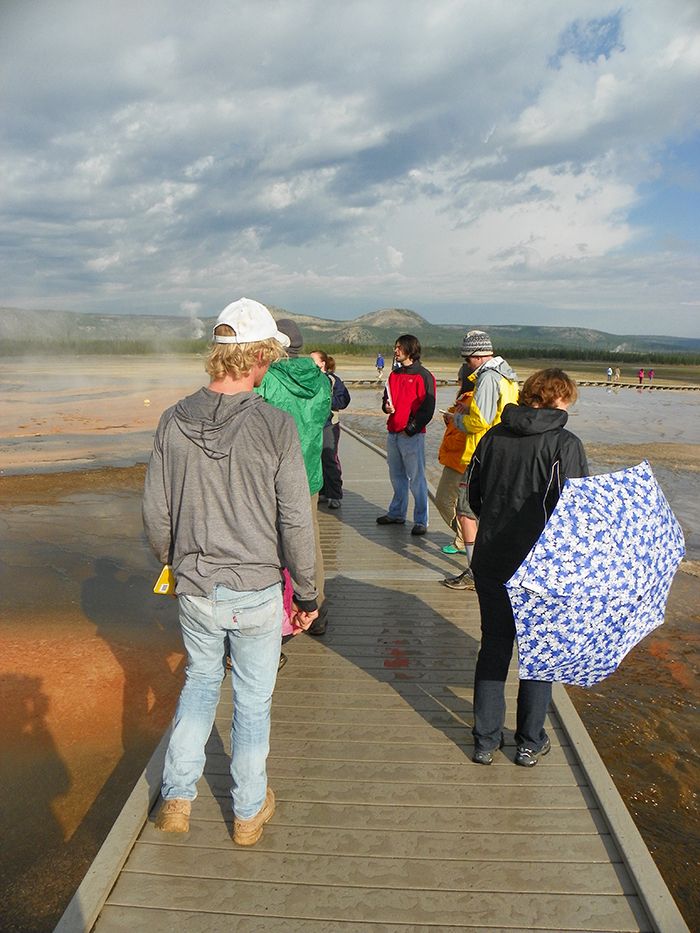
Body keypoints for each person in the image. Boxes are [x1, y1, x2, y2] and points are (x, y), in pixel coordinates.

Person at [142, 297, 318, 845]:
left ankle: (177, 798)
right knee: (252, 700)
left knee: (198, 683)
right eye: (268, 357)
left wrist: (171, 563)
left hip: (195, 584)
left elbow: (155, 511)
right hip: (259, 589)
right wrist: (308, 592)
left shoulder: (173, 419)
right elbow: (295, 519)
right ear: (258, 356)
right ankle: (246, 812)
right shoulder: (274, 425)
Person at [466, 368, 588, 767]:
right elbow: (576, 513)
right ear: (558, 398)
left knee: (495, 647)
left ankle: (485, 740)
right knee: (540, 654)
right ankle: (529, 742)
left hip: (492, 559)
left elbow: (474, 497)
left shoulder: (492, 436)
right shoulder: (565, 444)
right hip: (542, 566)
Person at [257, 319, 332, 636]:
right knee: (309, 538)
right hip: (309, 473)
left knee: (270, 545)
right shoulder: (322, 379)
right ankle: (318, 608)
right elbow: (323, 420)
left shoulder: (267, 379)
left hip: (273, 476)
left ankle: (275, 620)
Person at [441, 330, 519, 590]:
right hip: (499, 452)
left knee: (466, 512)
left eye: (466, 358)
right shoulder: (508, 377)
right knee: (486, 513)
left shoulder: (487, 378)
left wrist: (456, 419)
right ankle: (489, 567)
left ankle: (476, 573)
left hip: (480, 454)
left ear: (475, 356)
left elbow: (480, 422)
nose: (466, 363)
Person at [376, 334, 436, 536]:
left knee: (417, 479)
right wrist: (386, 407)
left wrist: (411, 428)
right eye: (395, 347)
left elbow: (428, 408)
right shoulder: (394, 375)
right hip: (393, 432)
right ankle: (397, 513)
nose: (395, 350)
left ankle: (421, 520)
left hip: (412, 436)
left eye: (399, 347)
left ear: (410, 349)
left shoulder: (424, 376)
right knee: (397, 477)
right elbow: (387, 399)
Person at [310, 350, 351, 509]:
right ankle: (320, 492)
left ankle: (334, 494)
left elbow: (344, 400)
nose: (310, 363)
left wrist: (326, 401)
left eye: (314, 360)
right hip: (311, 425)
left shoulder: (333, 380)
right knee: (314, 459)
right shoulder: (307, 380)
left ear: (323, 363)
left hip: (329, 424)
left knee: (329, 458)